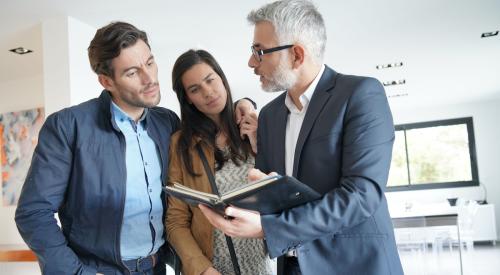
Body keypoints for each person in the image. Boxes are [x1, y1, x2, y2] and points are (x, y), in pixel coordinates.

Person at [14, 22, 256, 275]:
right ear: (107, 81)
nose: (149, 79)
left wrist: (245, 104)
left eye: (150, 63)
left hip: (157, 268)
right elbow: (33, 213)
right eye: (132, 73)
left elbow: (211, 122)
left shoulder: (167, 123)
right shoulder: (68, 127)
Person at [198, 1, 404, 275]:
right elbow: (276, 195)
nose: (251, 62)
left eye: (259, 51)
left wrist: (267, 227)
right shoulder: (270, 115)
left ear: (296, 55)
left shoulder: (360, 95)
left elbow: (361, 197)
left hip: (354, 264)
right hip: (293, 265)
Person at [166, 49, 272, 275]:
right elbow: (176, 220)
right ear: (189, 100)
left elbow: (281, 191)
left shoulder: (255, 126)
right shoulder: (181, 144)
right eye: (195, 89)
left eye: (210, 80)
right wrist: (202, 269)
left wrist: (258, 144)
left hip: (260, 265)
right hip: (212, 267)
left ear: (222, 79)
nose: (207, 92)